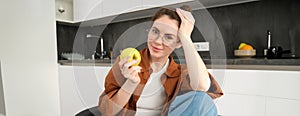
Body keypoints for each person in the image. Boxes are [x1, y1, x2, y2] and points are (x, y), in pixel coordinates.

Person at [98, 5, 223, 116]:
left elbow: (202, 87)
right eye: (155, 31)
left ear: (178, 43)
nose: (157, 41)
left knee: (201, 100)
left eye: (168, 37)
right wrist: (131, 83)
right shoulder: (126, 63)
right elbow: (107, 111)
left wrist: (186, 37)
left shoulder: (178, 73)